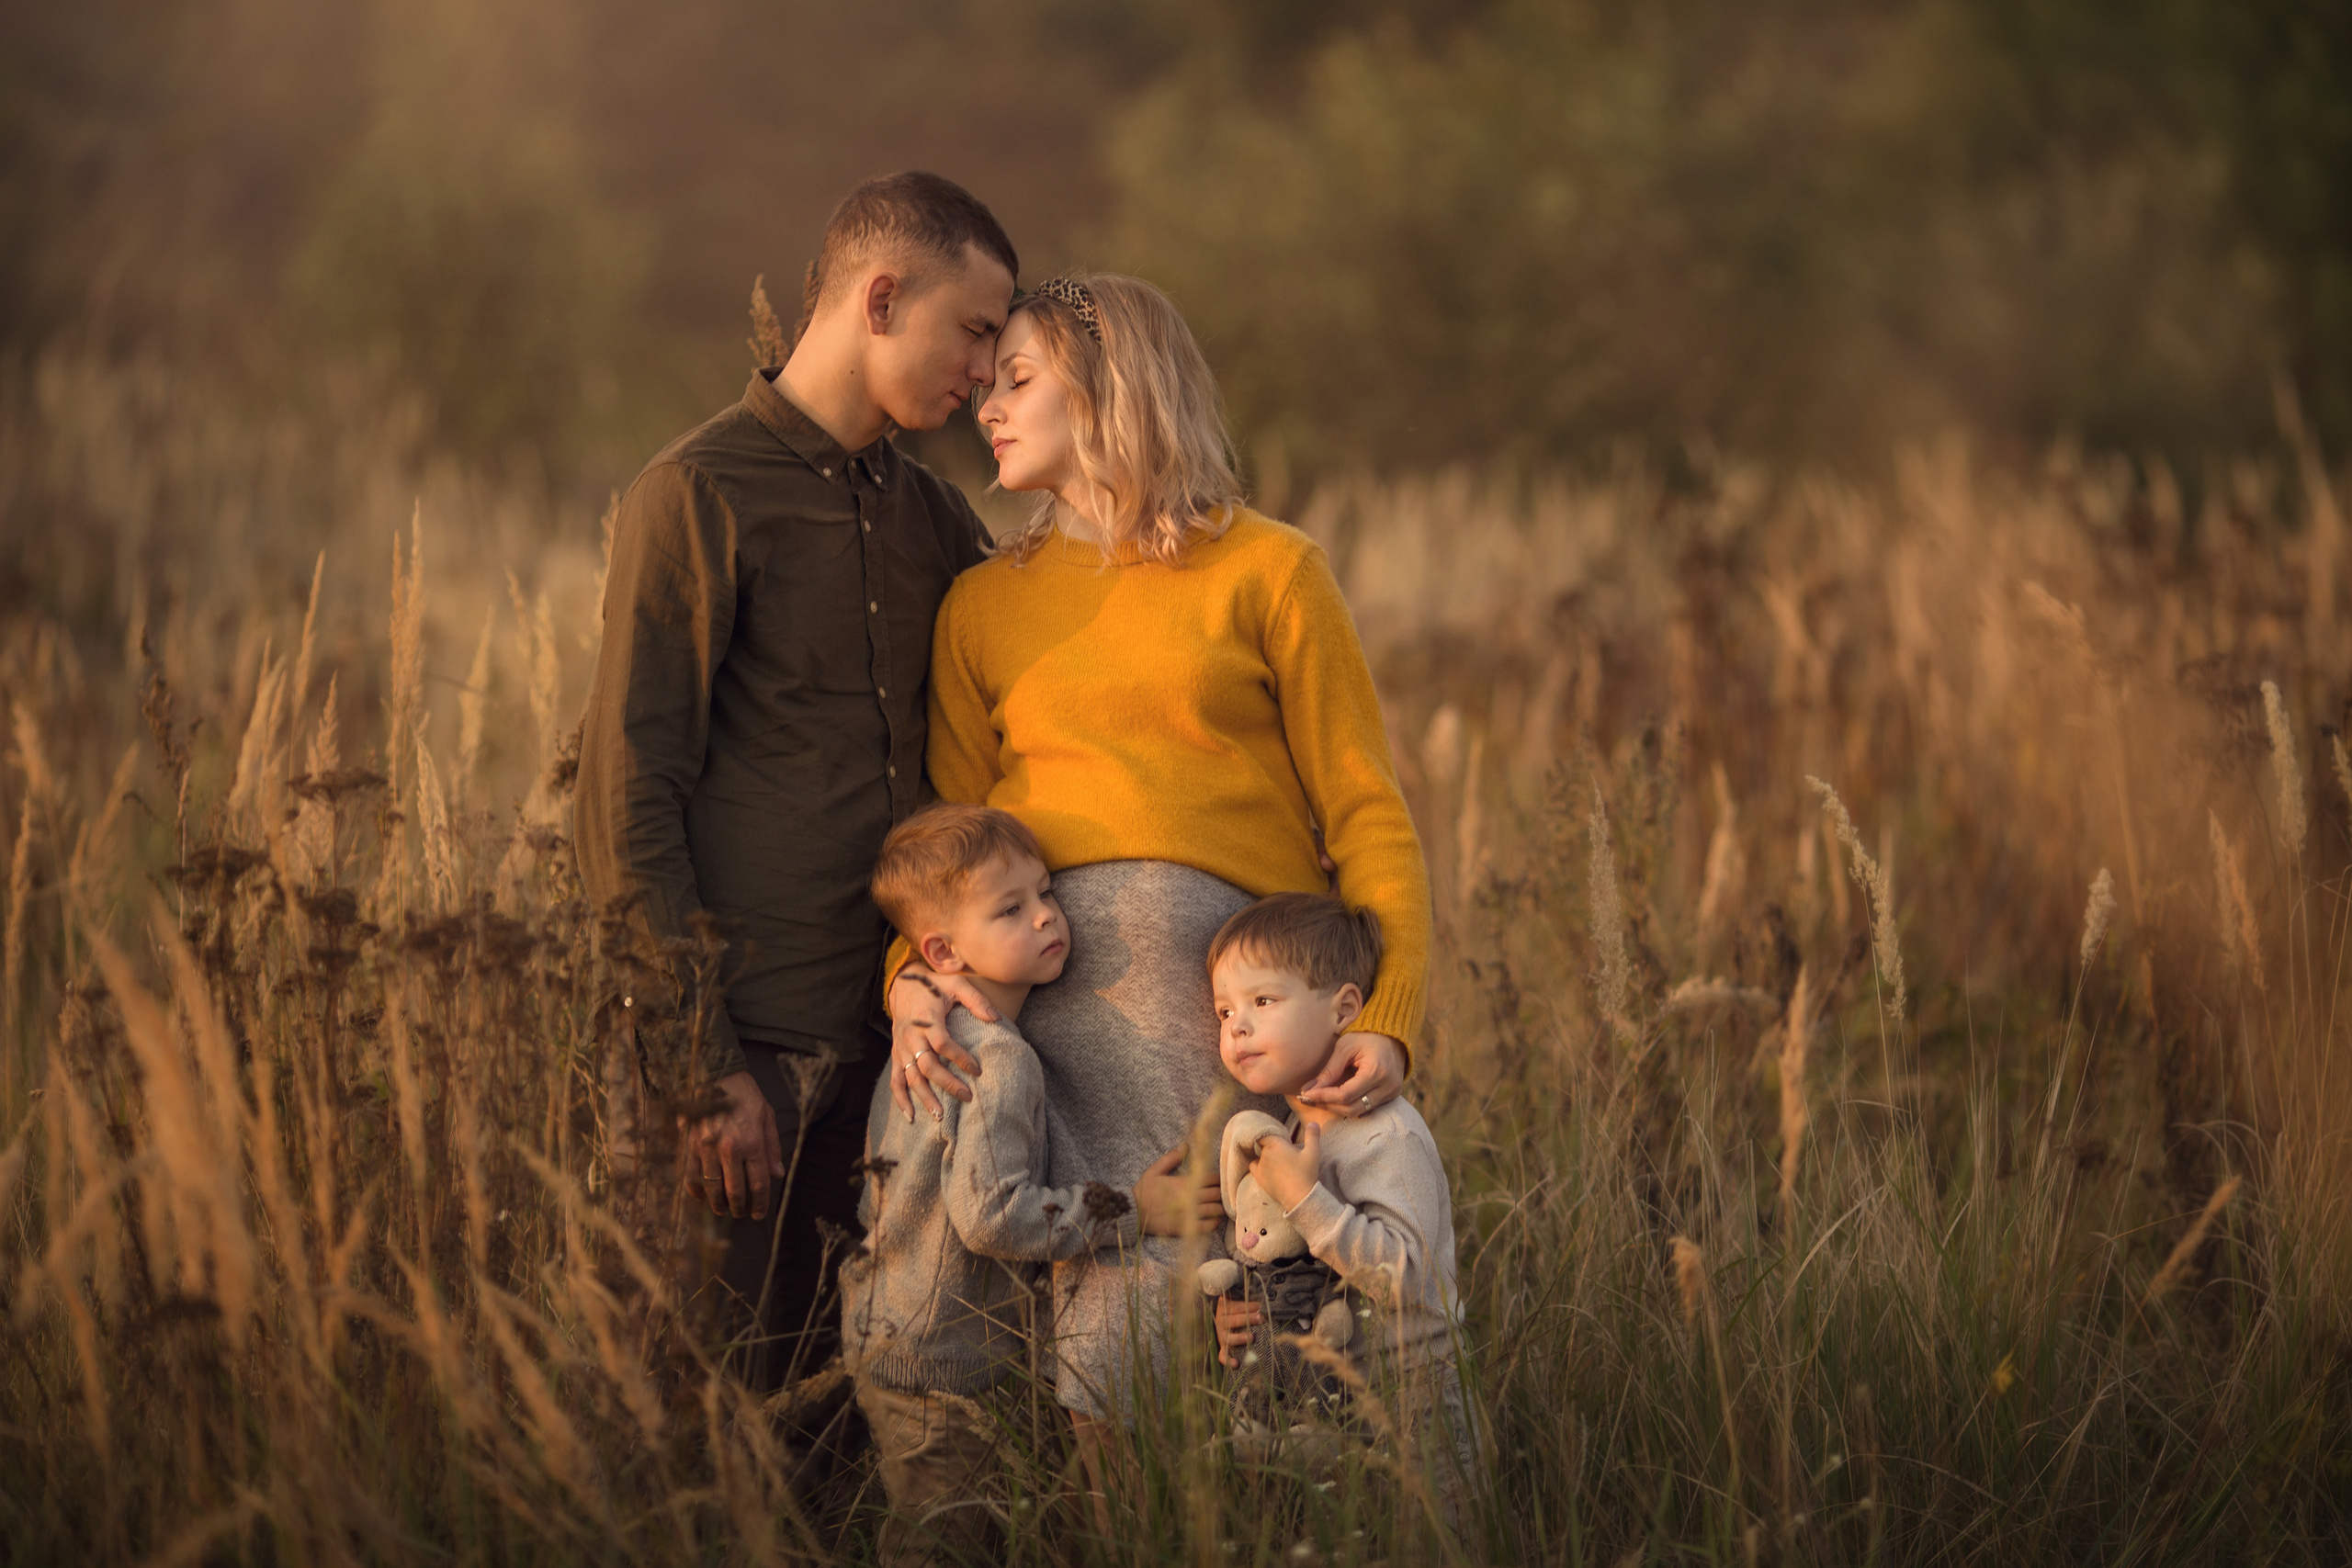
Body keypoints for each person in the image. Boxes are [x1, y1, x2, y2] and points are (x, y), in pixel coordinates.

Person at [882, 274, 1434, 1471]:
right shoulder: (980, 604)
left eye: (1020, 376)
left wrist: (1387, 1023)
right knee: (1062, 1357)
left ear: (1113, 385)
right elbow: (948, 838)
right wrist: (908, 978)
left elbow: (1367, 812)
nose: (986, 400)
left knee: (1233, 1334)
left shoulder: (1272, 570)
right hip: (1045, 1035)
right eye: (991, 379)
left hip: (1224, 1019)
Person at [575, 172, 1018, 1393]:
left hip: (899, 1048)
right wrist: (699, 1059)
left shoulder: (930, 511)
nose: (984, 368)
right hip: (743, 1051)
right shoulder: (697, 493)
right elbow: (626, 793)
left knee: (849, 1420)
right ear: (880, 297)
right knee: (712, 1413)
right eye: (974, 330)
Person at [841, 803, 1216, 1562]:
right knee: (938, 1546)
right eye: (1011, 908)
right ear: (941, 948)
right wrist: (1131, 1209)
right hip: (941, 1360)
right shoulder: (1000, 1059)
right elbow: (990, 1217)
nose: (1049, 917)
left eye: (1047, 892)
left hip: (890, 1321)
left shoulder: (924, 1039)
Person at [1205, 893, 1474, 1523]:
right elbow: (1298, 1264)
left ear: (1344, 1008)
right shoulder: (1295, 1129)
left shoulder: (1387, 1134)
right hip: (1331, 1413)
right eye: (1224, 1010)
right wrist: (1242, 1312)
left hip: (1414, 1408)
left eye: (1261, 1001)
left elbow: (1408, 1279)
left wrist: (1303, 1198)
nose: (1236, 1025)